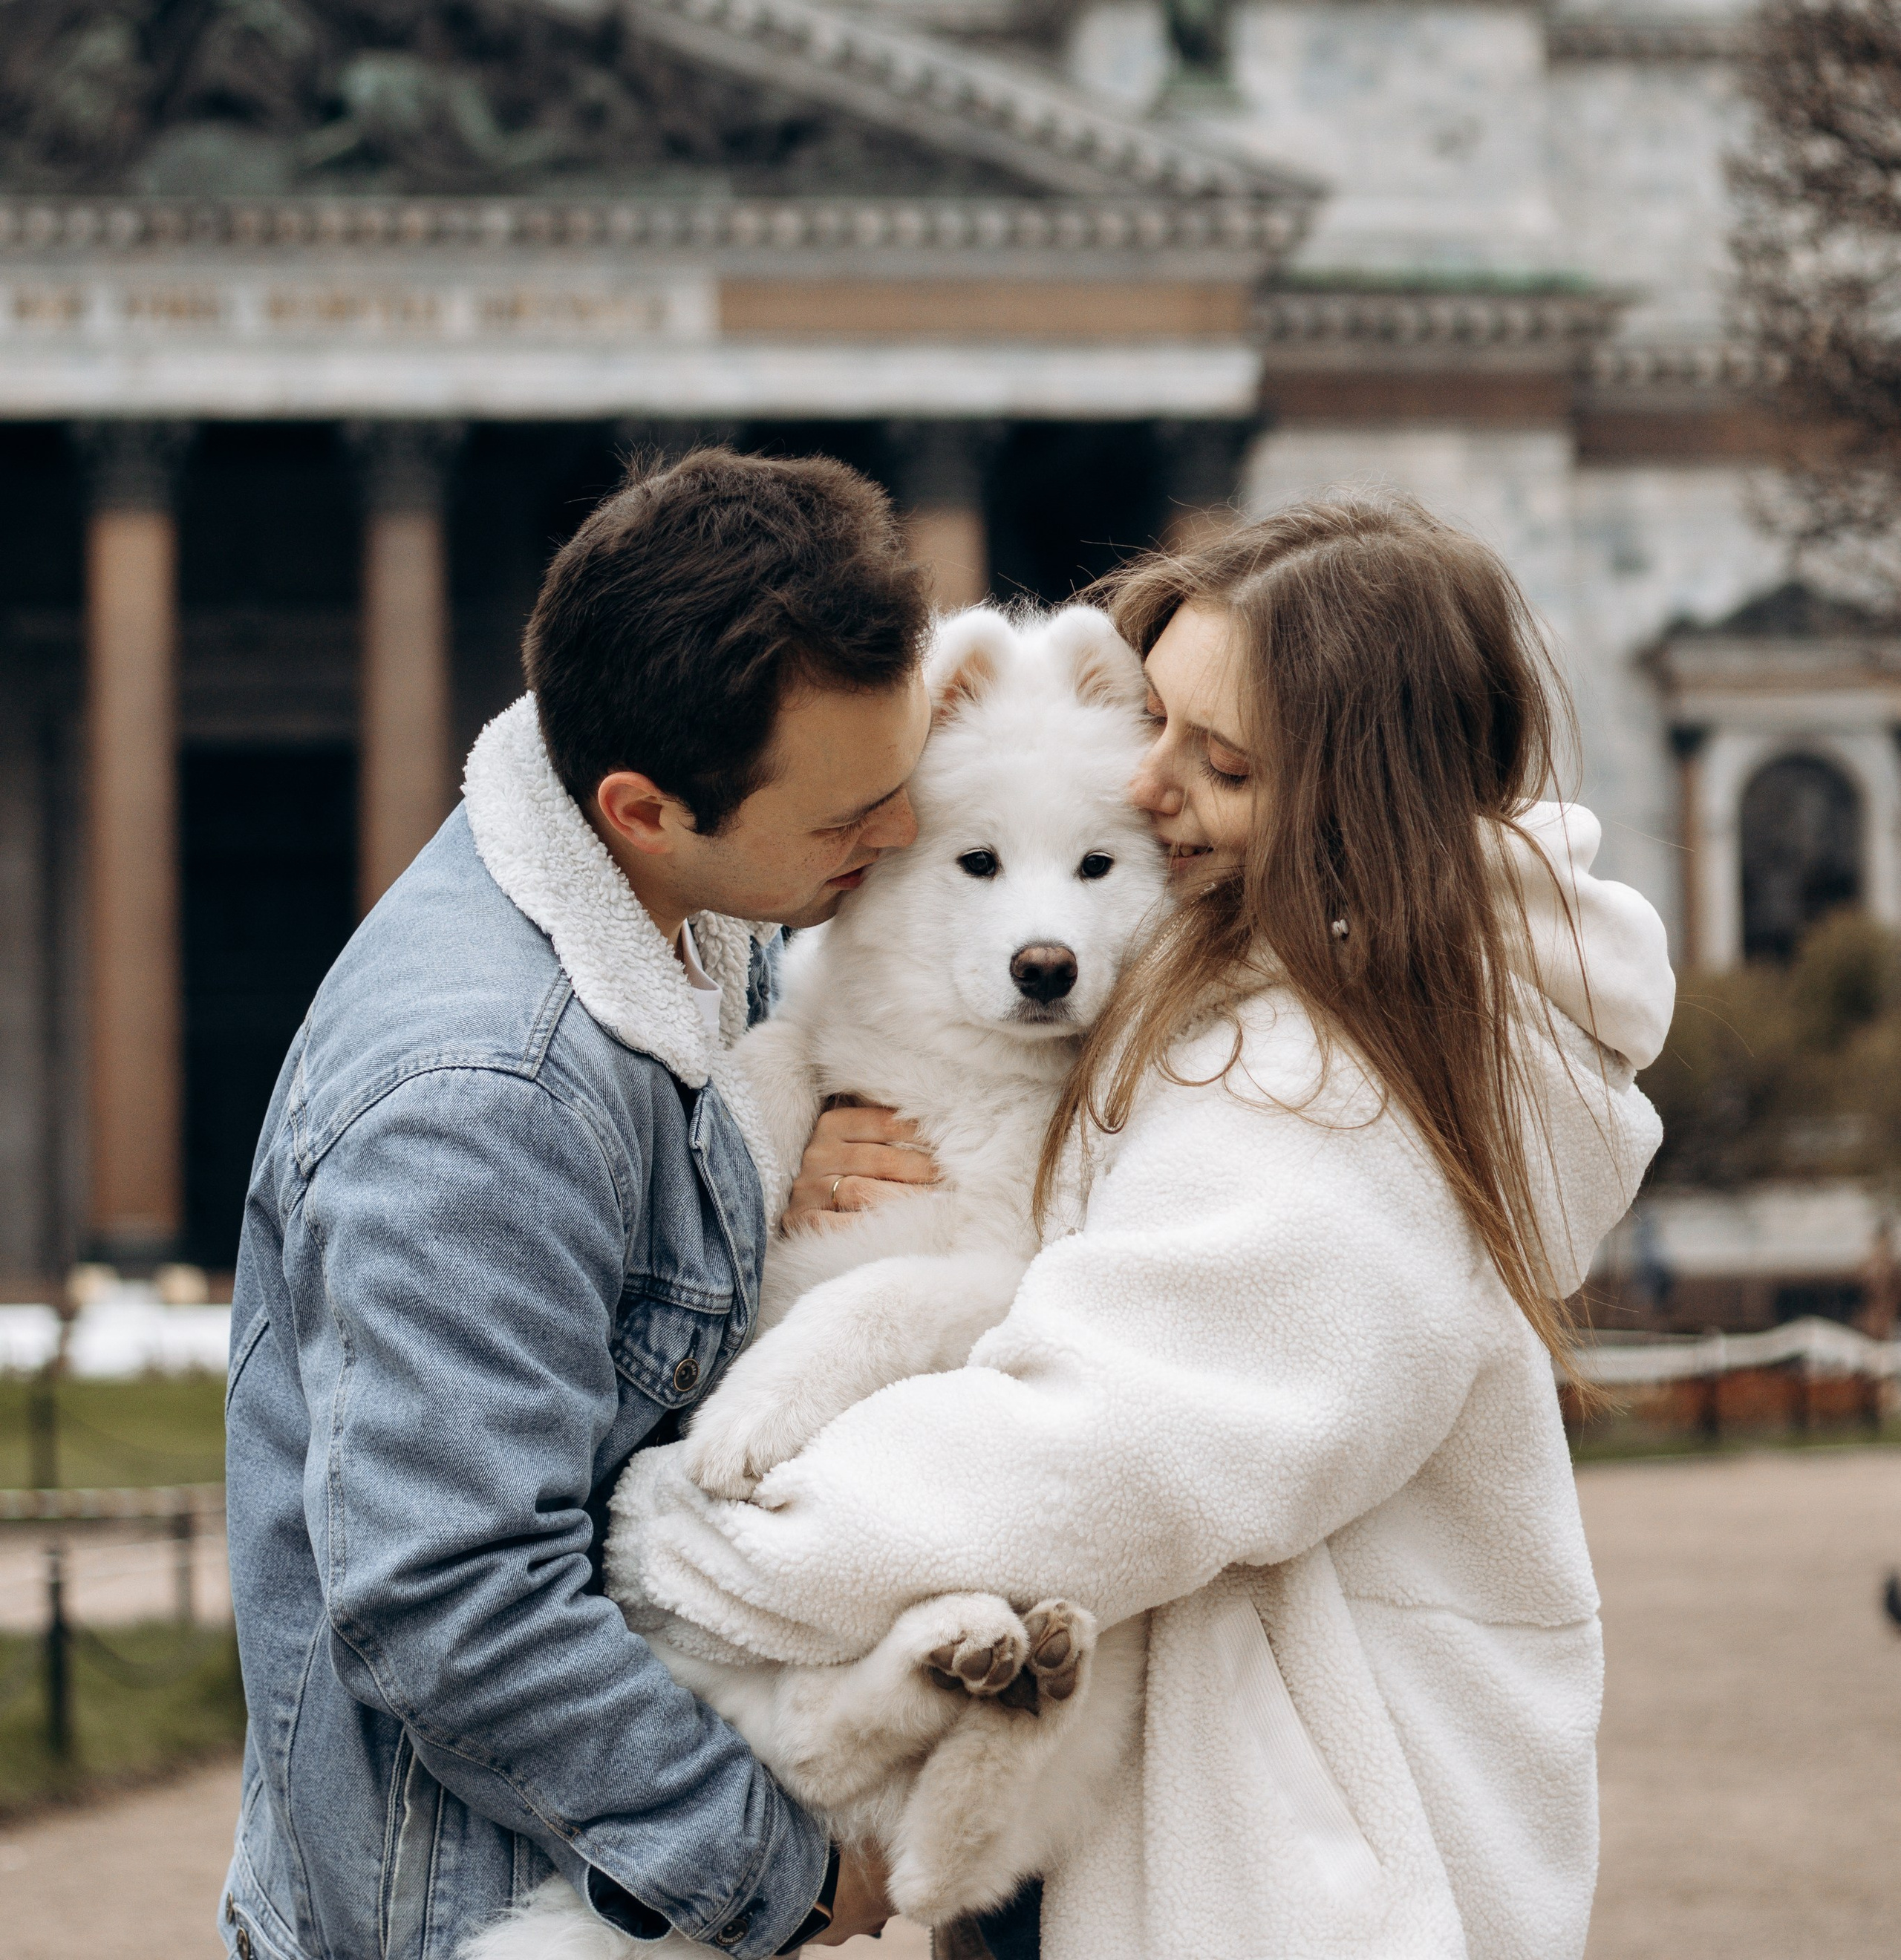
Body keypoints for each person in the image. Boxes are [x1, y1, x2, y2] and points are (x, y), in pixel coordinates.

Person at [618, 497, 1677, 1960]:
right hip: (1220, 1820)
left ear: (1349, 794)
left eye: (1217, 762)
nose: (1143, 780)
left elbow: (1119, 1441)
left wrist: (708, 1558)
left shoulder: (1314, 1088)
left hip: (1288, 1873)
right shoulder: (1261, 1007)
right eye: (1155, 721)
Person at [220, 449, 945, 1960]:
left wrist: (764, 1160)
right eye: (844, 820)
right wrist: (781, 1865)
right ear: (642, 808)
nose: (894, 841)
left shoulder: (680, 904)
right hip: (475, 1920)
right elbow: (451, 1598)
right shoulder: (478, 1100)